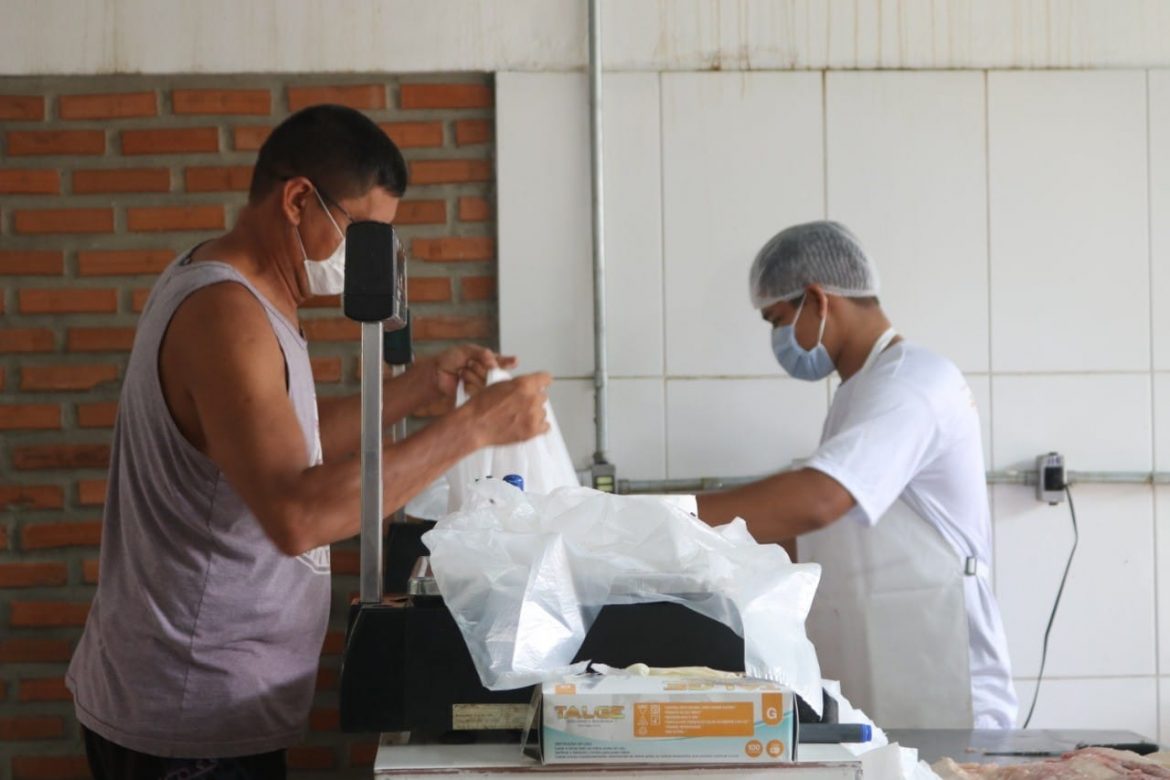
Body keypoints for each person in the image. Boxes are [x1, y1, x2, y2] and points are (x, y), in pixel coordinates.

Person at [66, 104, 551, 779]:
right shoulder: (225, 313)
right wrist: (475, 428)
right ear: (298, 201)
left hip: (215, 695)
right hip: (187, 708)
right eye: (365, 233)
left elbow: (285, 444)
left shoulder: (255, 297)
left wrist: (421, 389)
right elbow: (296, 514)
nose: (369, 257)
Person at [696, 221, 1017, 730]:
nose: (778, 339)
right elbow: (822, 538)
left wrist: (670, 517)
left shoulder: (912, 381)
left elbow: (820, 500)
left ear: (817, 300)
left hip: (947, 676)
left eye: (777, 320)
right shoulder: (861, 392)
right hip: (899, 667)